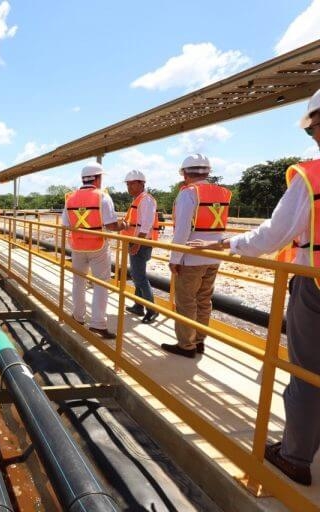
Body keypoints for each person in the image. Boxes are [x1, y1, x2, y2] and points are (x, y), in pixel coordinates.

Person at [188, 89, 320, 486]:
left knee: (306, 373)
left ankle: (295, 455)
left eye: (314, 129)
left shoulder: (310, 176)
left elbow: (274, 234)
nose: (313, 137)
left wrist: (231, 244)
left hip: (314, 284)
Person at [161, 153, 230, 358]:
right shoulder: (223, 192)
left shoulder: (189, 193)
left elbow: (182, 229)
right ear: (208, 172)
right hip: (214, 254)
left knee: (186, 301)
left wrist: (174, 259)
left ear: (184, 174)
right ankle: (199, 341)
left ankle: (186, 345)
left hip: (192, 257)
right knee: (204, 300)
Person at [62, 162, 127, 339]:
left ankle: (78, 317)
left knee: (78, 282)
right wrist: (123, 224)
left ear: (83, 179)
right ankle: (98, 323)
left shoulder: (71, 198)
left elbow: (66, 224)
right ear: (98, 178)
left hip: (77, 246)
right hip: (98, 246)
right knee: (101, 283)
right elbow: (112, 225)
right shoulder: (102, 197)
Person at [121, 170, 161, 324]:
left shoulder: (146, 200)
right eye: (127, 184)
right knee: (137, 274)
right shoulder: (138, 199)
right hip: (136, 241)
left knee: (139, 276)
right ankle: (138, 305)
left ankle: (152, 309)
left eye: (132, 183)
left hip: (141, 242)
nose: (129, 187)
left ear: (141, 183)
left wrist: (137, 243)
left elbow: (146, 225)